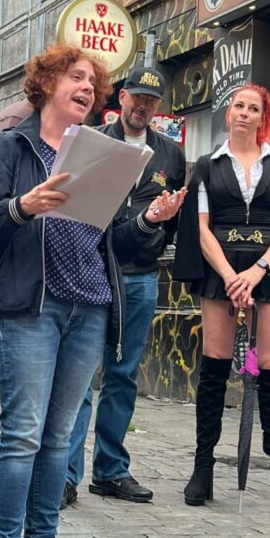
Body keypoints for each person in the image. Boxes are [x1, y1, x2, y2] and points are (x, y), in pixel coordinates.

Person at [0, 45, 185, 538]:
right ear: (46, 84)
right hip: (31, 307)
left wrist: (149, 219)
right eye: (76, 77)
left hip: (90, 304)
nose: (88, 87)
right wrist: (22, 206)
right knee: (23, 434)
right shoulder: (12, 147)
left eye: (94, 82)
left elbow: (112, 241)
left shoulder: (102, 154)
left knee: (59, 438)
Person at [172, 84, 270, 517]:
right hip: (221, 273)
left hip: (268, 273)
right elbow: (201, 227)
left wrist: (257, 271)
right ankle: (202, 468)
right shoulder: (207, 165)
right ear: (228, 113)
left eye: (254, 109)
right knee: (215, 366)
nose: (244, 114)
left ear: (262, 118)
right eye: (239, 106)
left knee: (266, 368)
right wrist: (231, 276)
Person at [64, 65, 185, 507]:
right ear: (122, 98)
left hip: (140, 276)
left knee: (123, 374)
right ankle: (65, 474)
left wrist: (154, 240)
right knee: (79, 376)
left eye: (152, 101)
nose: (143, 107)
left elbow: (171, 218)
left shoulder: (170, 154)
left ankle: (110, 470)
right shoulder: (95, 140)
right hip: (93, 272)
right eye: (137, 98)